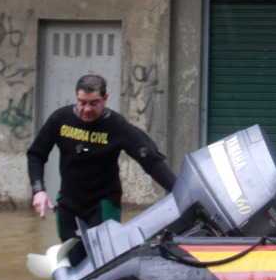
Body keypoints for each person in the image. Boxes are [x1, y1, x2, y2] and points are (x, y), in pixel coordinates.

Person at [27, 74, 177, 248]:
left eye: (94, 103)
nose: (87, 109)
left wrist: (179, 189)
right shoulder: (60, 120)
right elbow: (36, 154)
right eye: (82, 102)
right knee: (72, 257)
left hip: (103, 204)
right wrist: (38, 190)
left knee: (102, 255)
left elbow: (150, 160)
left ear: (105, 99)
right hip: (69, 203)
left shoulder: (117, 126)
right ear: (76, 97)